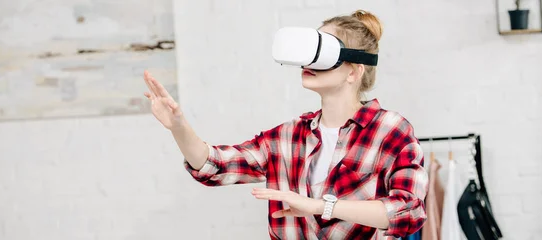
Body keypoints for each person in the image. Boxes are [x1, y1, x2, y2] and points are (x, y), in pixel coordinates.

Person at [142, 9, 428, 240]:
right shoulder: (289, 137)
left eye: (322, 52)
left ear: (353, 71)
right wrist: (177, 126)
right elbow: (214, 167)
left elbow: (408, 211)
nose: (308, 62)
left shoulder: (390, 130)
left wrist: (320, 206)